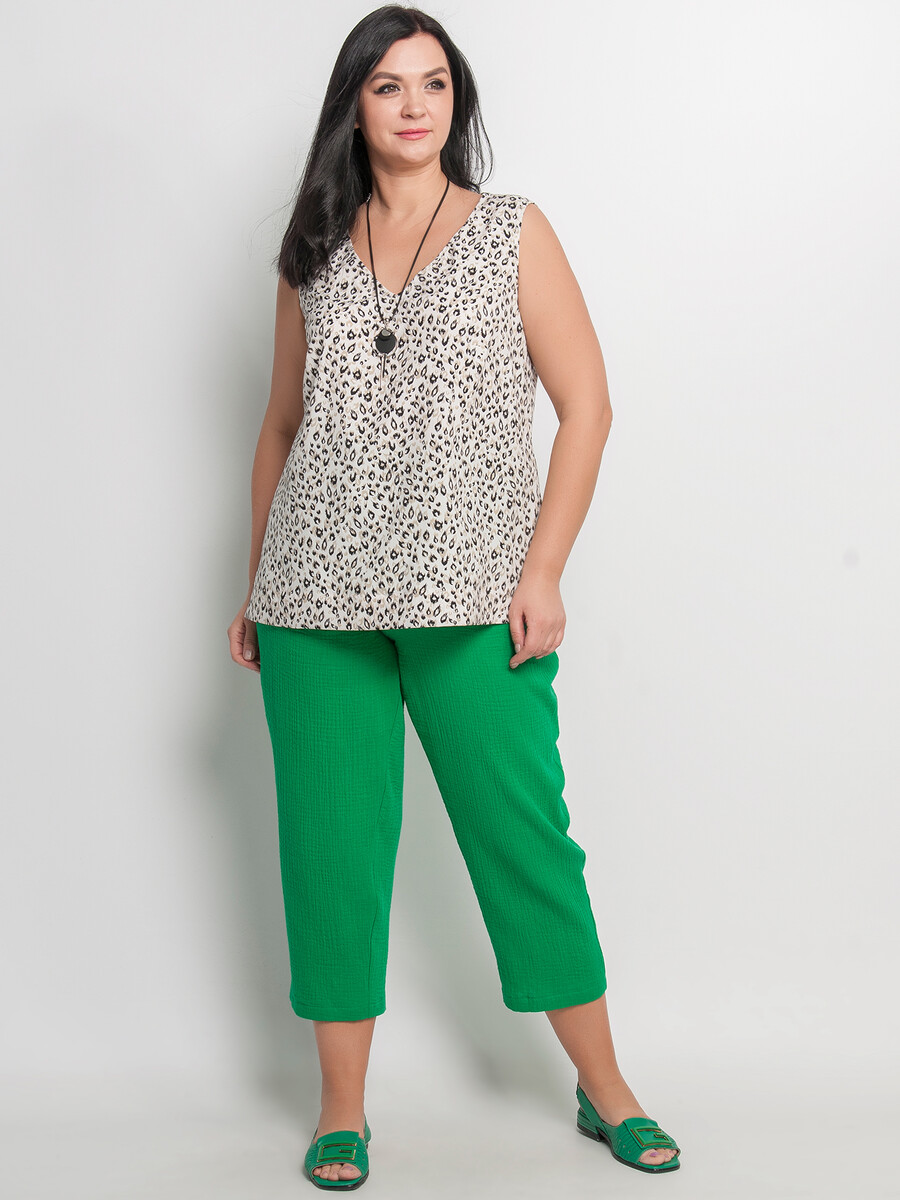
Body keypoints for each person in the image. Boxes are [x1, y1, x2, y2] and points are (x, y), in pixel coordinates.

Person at [227, 4, 681, 1188]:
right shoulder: (311, 248)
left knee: (526, 843)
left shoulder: (513, 231)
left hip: (478, 596)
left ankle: (607, 1088)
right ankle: (341, 1111)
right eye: (388, 85)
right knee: (330, 855)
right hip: (314, 599)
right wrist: (255, 579)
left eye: (434, 82)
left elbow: (588, 407)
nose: (415, 104)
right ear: (354, 108)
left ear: (456, 101)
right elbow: (280, 426)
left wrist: (545, 572)